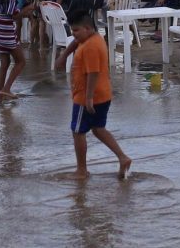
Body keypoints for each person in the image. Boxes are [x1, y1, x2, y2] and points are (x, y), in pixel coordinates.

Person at [55, 10, 131, 180]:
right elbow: (76, 42)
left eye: (76, 31)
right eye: (72, 30)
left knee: (77, 131)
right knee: (98, 129)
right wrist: (64, 55)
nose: (73, 35)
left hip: (88, 97)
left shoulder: (91, 47)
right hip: (103, 94)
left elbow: (93, 73)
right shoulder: (92, 38)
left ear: (88, 28)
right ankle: (123, 158)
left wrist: (88, 99)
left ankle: (81, 170)